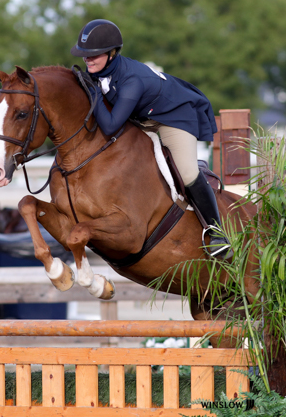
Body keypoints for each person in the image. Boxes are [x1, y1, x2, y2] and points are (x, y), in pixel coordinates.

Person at [71, 19, 230, 258]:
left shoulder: (132, 80)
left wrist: (92, 93)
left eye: (94, 55)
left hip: (174, 117)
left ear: (112, 54)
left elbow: (111, 125)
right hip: (142, 118)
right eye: (84, 55)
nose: (87, 60)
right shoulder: (99, 72)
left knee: (186, 173)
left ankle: (217, 232)